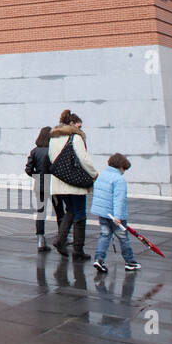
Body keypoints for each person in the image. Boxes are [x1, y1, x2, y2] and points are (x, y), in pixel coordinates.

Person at [48, 109, 98, 260]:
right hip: (75, 183)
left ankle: (60, 239)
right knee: (80, 214)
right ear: (71, 124)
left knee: (69, 210)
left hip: (59, 182)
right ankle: (78, 250)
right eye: (79, 126)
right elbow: (84, 159)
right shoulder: (75, 137)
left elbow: (52, 159)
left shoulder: (54, 138)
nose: (80, 129)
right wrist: (94, 174)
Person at [91, 153, 140, 274]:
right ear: (121, 167)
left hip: (103, 214)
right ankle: (130, 262)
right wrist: (117, 216)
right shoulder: (119, 180)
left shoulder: (101, 175)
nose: (124, 172)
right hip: (115, 216)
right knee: (123, 239)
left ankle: (99, 259)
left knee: (104, 235)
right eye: (124, 169)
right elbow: (119, 199)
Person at [25, 126, 53, 252]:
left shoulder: (34, 151)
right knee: (60, 211)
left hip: (39, 184)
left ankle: (40, 239)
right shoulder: (52, 151)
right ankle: (64, 237)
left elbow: (28, 169)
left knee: (41, 212)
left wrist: (36, 175)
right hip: (52, 183)